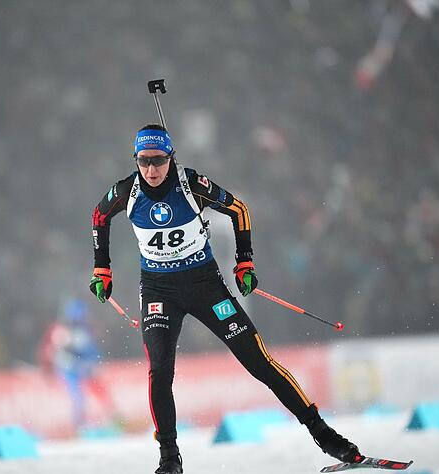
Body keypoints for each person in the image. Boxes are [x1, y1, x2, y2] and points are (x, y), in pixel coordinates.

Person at [89, 124, 361, 474]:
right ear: (136, 161)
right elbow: (98, 217)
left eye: (158, 160)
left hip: (204, 286)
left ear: (171, 157)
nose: (152, 170)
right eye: (144, 162)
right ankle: (169, 459)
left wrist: (244, 261)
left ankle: (326, 436)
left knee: (258, 361)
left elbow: (239, 210)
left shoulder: (192, 184)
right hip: (159, 291)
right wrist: (102, 270)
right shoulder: (127, 191)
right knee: (160, 371)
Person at [37, 298, 118, 435]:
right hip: (69, 370)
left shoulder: (85, 330)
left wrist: (94, 363)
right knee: (78, 397)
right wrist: (50, 364)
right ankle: (79, 426)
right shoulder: (59, 330)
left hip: (84, 369)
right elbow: (50, 351)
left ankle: (113, 419)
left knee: (100, 392)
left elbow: (92, 351)